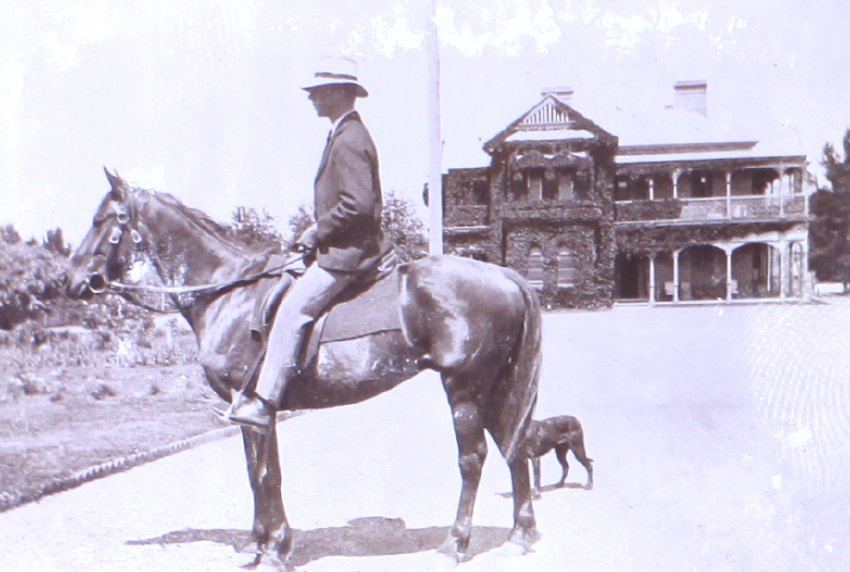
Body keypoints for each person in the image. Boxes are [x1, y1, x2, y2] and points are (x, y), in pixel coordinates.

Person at [226, 57, 393, 432]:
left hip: (348, 254)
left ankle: (265, 402)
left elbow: (358, 205)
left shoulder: (349, 140)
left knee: (291, 311)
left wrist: (317, 232)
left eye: (317, 92)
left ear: (338, 92)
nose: (311, 98)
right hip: (339, 247)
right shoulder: (343, 134)